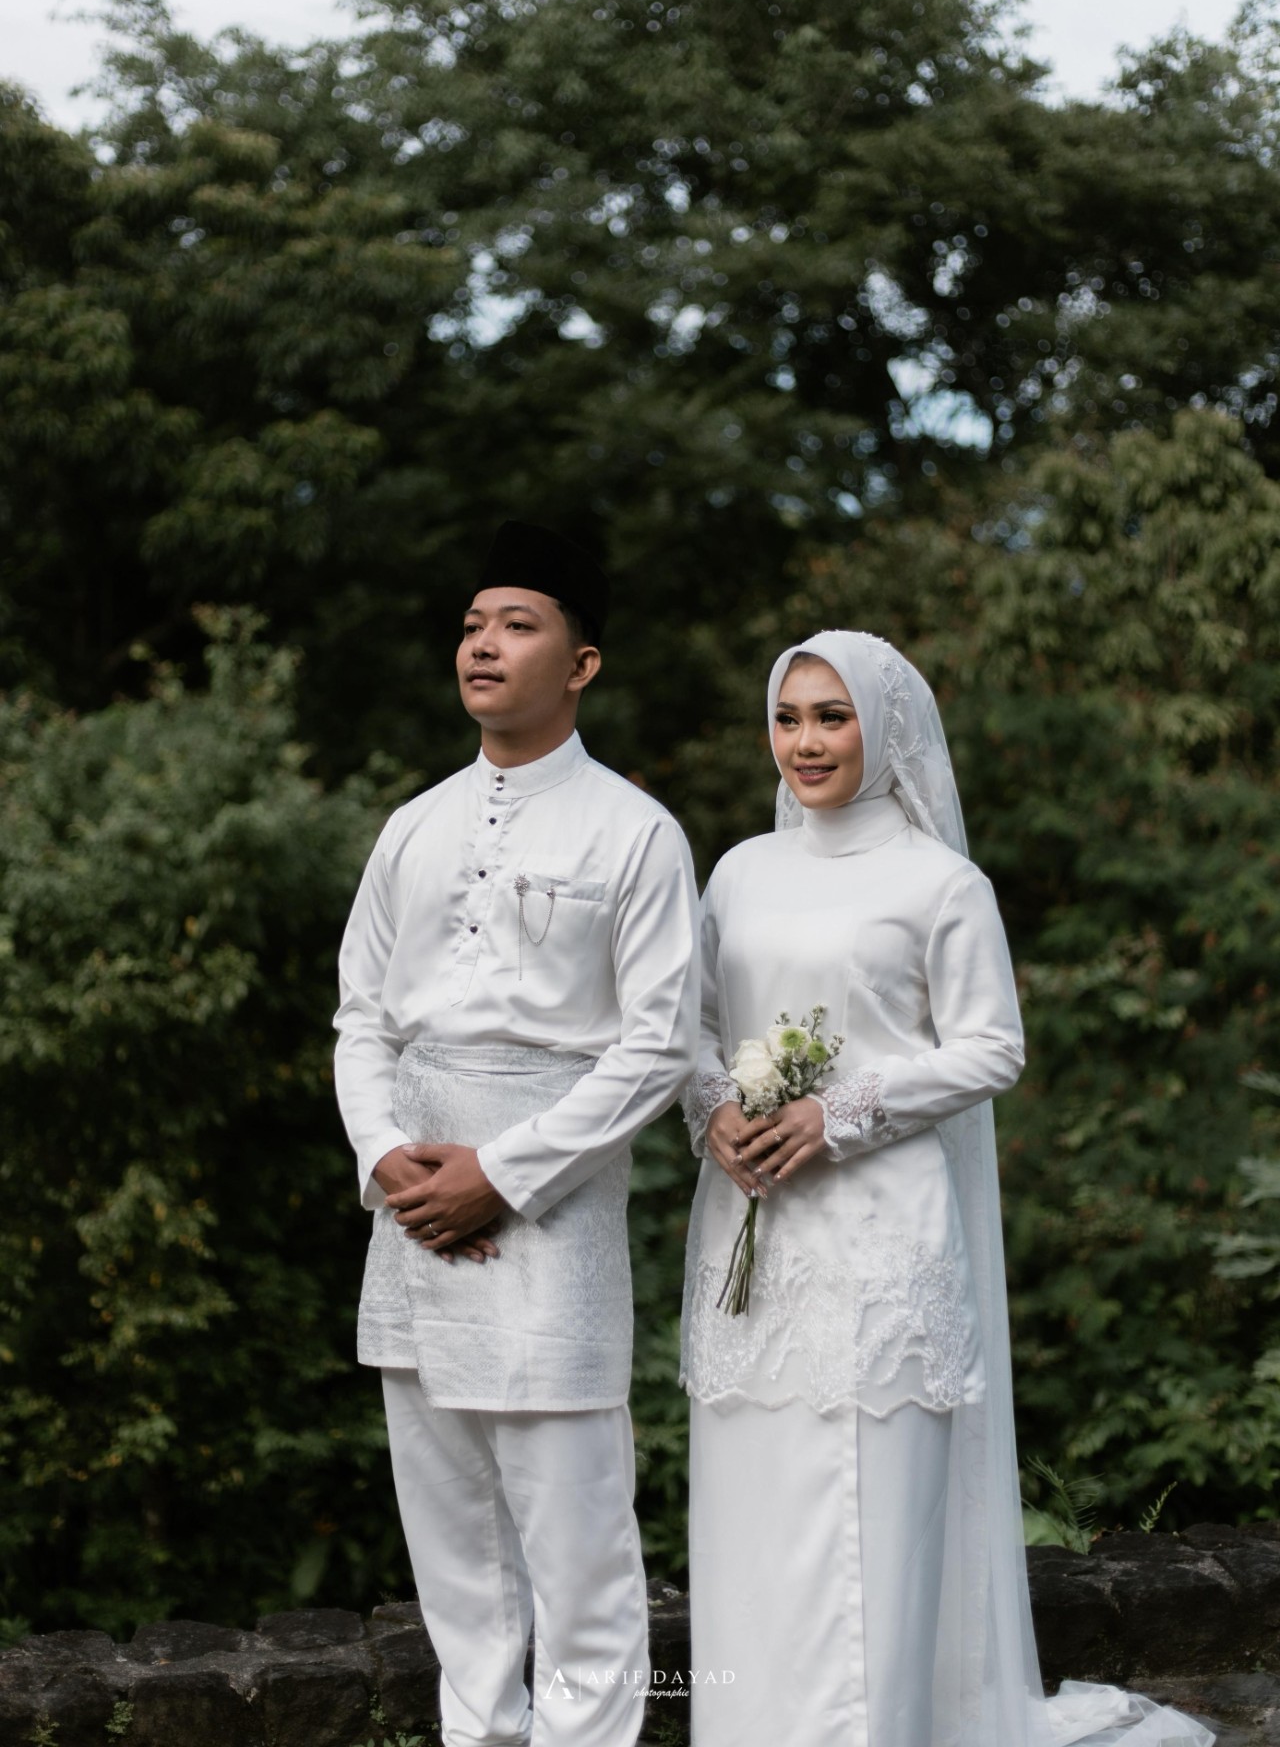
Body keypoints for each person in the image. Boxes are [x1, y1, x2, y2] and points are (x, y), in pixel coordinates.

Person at [679, 630, 1212, 1747]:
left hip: (883, 1236)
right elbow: (694, 1028)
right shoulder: (736, 871)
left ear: (884, 728)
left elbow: (991, 1047)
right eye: (787, 717)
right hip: (753, 1225)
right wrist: (716, 1106)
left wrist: (838, 1113)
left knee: (871, 1517)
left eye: (832, 717)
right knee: (754, 1496)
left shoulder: (939, 881)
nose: (805, 741)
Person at [333, 520, 699, 1747]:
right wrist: (387, 1160)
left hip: (551, 1206)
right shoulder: (413, 825)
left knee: (577, 1545)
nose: (482, 644)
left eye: (517, 624)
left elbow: (656, 1046)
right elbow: (361, 1018)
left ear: (581, 662)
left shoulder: (634, 832)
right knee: (452, 1555)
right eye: (472, 625)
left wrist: (498, 1173)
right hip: (410, 1211)